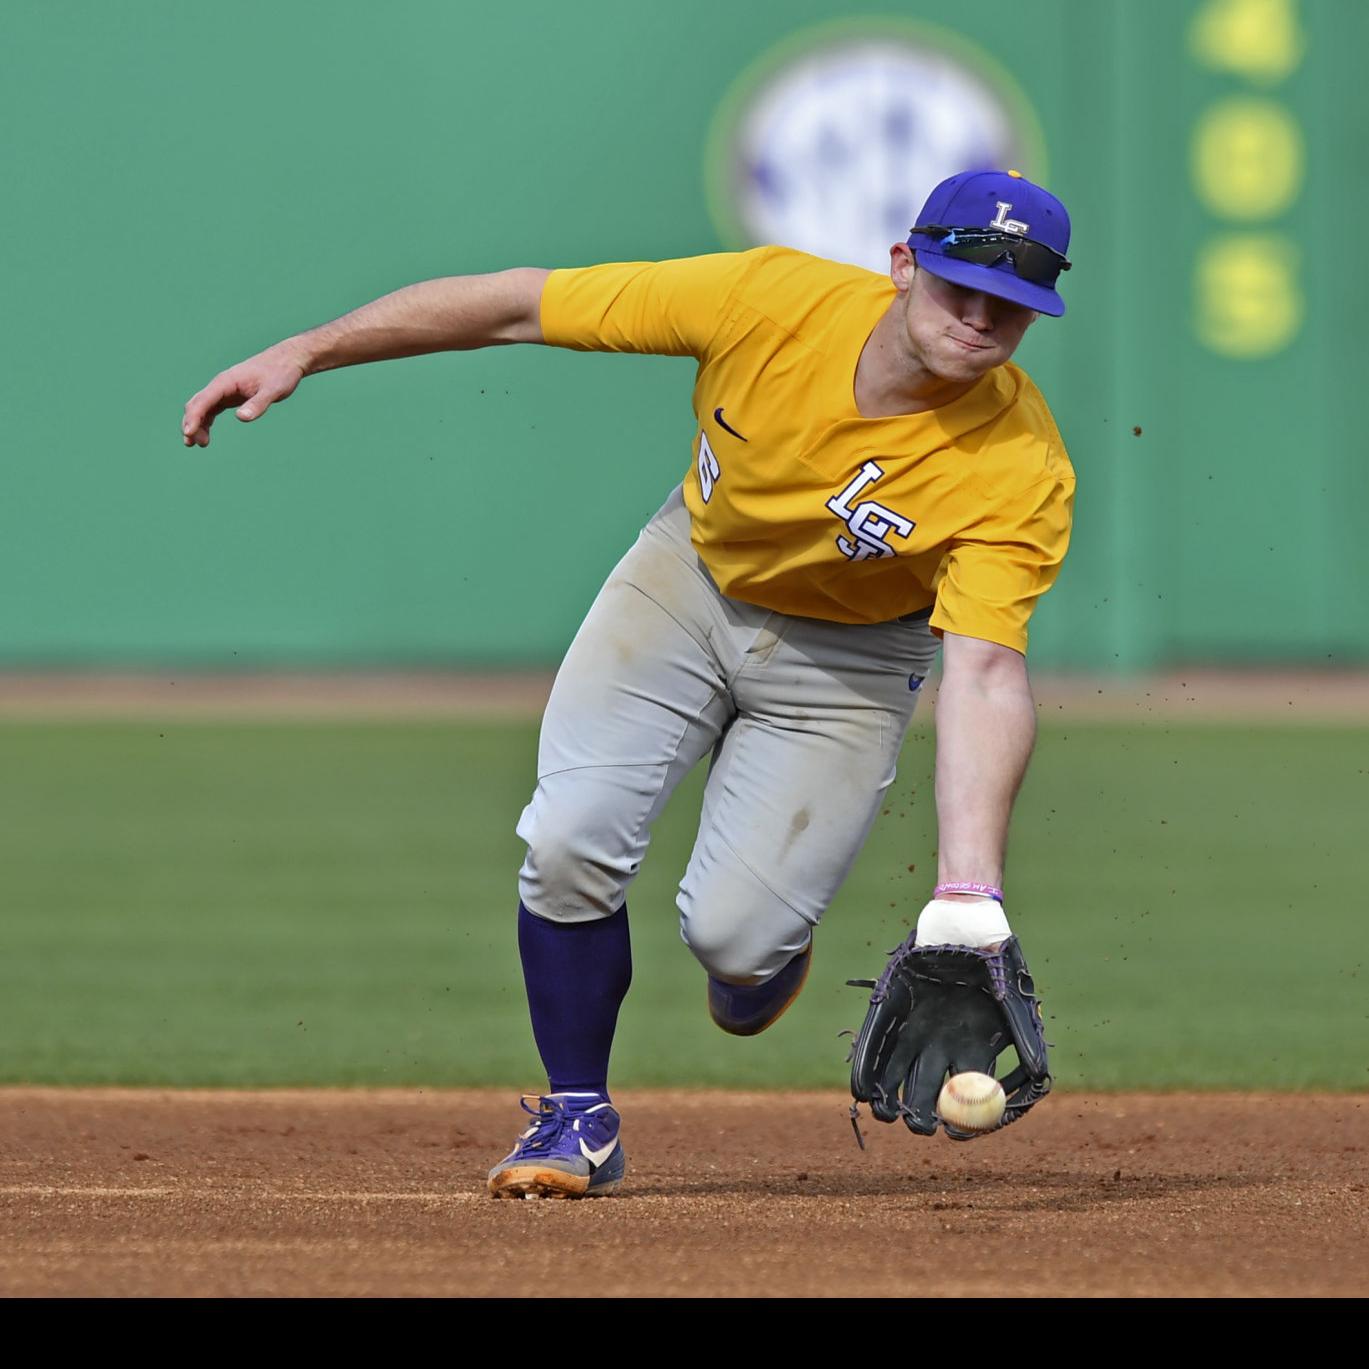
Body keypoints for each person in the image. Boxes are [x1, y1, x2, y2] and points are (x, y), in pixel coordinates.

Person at [182, 168, 1075, 1201]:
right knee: (568, 837)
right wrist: (309, 348)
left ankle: (759, 966)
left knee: (735, 939)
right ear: (904, 266)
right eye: (960, 285)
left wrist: (968, 897)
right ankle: (575, 1116)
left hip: (852, 659)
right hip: (685, 582)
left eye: (1011, 304)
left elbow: (983, 674)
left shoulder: (1018, 466)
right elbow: (521, 303)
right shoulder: (768, 302)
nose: (979, 318)